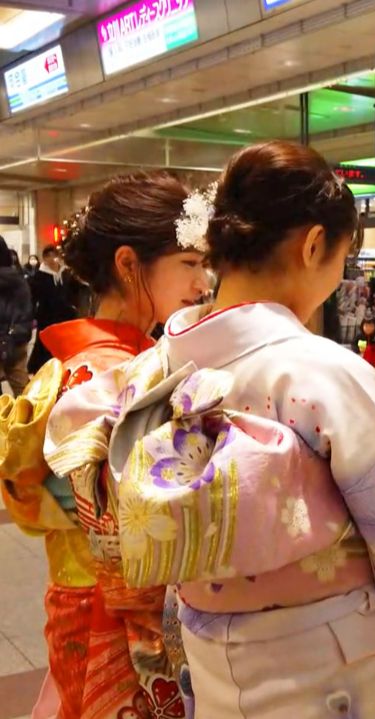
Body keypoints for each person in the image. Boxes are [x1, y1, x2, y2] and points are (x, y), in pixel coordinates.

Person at [47, 140, 375, 718]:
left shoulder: (165, 361)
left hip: (209, 647)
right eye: (340, 261)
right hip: (325, 658)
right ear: (313, 245)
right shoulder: (319, 370)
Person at [3, 171, 210, 719]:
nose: (203, 280)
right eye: (189, 264)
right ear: (127, 264)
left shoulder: (96, 362)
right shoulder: (107, 373)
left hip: (87, 592)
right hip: (111, 604)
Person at [27, 245, 78, 373]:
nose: (51, 259)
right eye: (47, 256)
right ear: (44, 258)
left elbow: (73, 292)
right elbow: (34, 297)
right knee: (46, 344)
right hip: (47, 315)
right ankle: (43, 368)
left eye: (53, 255)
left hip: (65, 315)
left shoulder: (65, 273)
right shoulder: (40, 276)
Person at [0, 246, 33, 396]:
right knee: (23, 390)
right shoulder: (19, 279)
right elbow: (27, 309)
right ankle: (28, 417)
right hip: (17, 339)